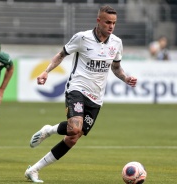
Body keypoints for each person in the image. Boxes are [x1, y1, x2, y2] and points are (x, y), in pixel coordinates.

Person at [24, 5, 137, 183]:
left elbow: (115, 68)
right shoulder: (82, 38)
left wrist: (125, 78)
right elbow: (61, 55)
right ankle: (49, 130)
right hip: (77, 89)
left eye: (114, 23)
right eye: (107, 22)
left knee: (73, 138)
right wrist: (46, 71)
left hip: (97, 98)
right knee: (75, 127)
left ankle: (34, 168)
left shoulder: (116, 43)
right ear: (98, 20)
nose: (111, 26)